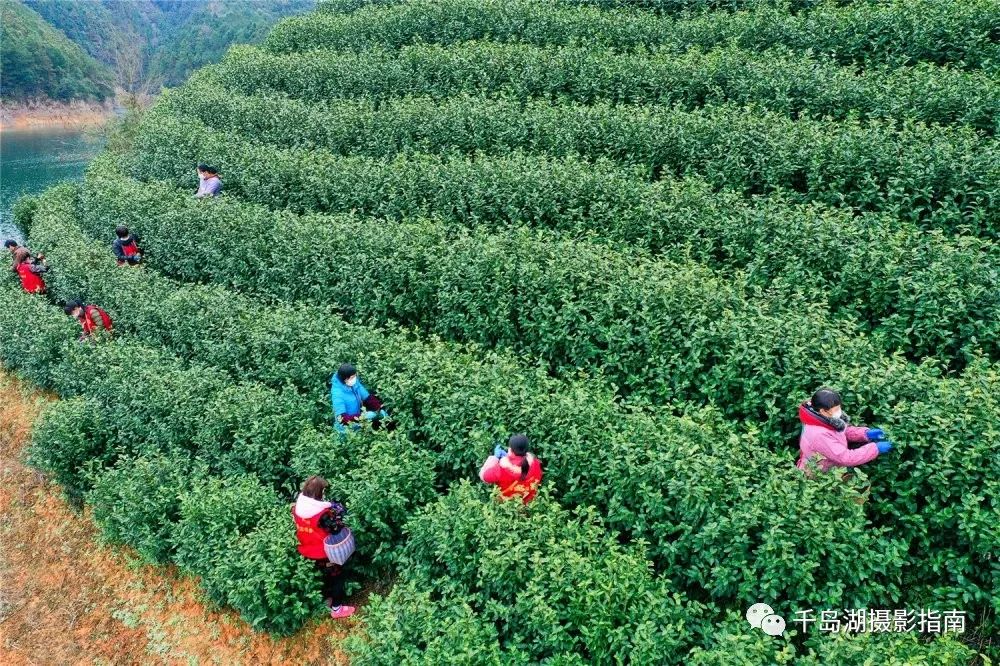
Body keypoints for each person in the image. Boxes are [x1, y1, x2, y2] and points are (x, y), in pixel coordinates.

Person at [292, 476, 356, 619]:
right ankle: (337, 609)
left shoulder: (297, 508)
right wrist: (339, 515)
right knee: (337, 577)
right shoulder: (321, 513)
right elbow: (334, 529)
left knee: (325, 576)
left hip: (307, 550)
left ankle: (327, 600)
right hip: (325, 553)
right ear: (318, 493)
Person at [797, 388, 893, 475]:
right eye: (836, 409)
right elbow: (845, 457)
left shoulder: (819, 417)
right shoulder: (819, 434)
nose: (839, 411)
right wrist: (875, 448)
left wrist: (865, 434)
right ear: (823, 411)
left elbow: (841, 431)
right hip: (818, 474)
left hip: (827, 465)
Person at [479, 433, 544, 504]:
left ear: (510, 449)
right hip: (530, 504)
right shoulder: (535, 463)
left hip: (507, 507)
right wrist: (508, 457)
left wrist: (494, 458)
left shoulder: (501, 468)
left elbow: (483, 476)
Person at [330, 363, 392, 433]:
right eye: (352, 377)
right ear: (345, 379)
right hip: (345, 429)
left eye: (355, 376)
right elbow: (342, 419)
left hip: (357, 421)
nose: (354, 379)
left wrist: (379, 409)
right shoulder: (337, 394)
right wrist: (364, 416)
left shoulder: (354, 383)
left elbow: (368, 398)